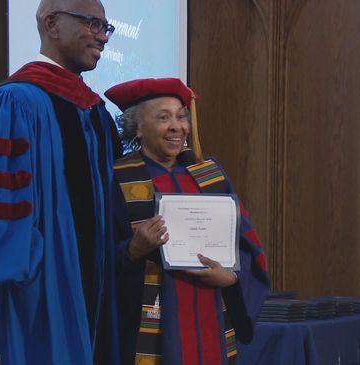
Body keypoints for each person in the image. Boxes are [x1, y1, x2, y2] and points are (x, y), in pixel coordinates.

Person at [0, 1, 122, 364]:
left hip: (92, 291)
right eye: (92, 24)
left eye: (106, 27)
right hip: (35, 294)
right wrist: (39, 265)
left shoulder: (94, 111)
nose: (102, 37)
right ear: (52, 24)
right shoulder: (11, 103)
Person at [105, 78, 269, 365]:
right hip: (150, 321)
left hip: (211, 316)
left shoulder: (211, 175)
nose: (176, 126)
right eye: (163, 117)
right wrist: (132, 250)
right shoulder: (119, 178)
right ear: (137, 127)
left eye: (181, 116)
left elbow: (246, 246)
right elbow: (93, 257)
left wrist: (231, 278)